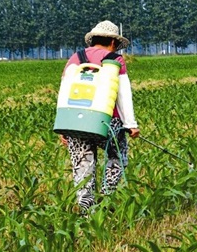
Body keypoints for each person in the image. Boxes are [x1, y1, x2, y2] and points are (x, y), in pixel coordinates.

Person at [60, 20, 140, 213]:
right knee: (117, 155)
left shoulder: (74, 59)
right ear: (113, 42)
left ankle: (86, 209)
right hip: (106, 121)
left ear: (93, 40)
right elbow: (123, 95)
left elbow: (64, 91)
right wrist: (131, 124)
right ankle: (105, 199)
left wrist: (63, 127)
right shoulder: (115, 60)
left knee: (82, 165)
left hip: (74, 121)